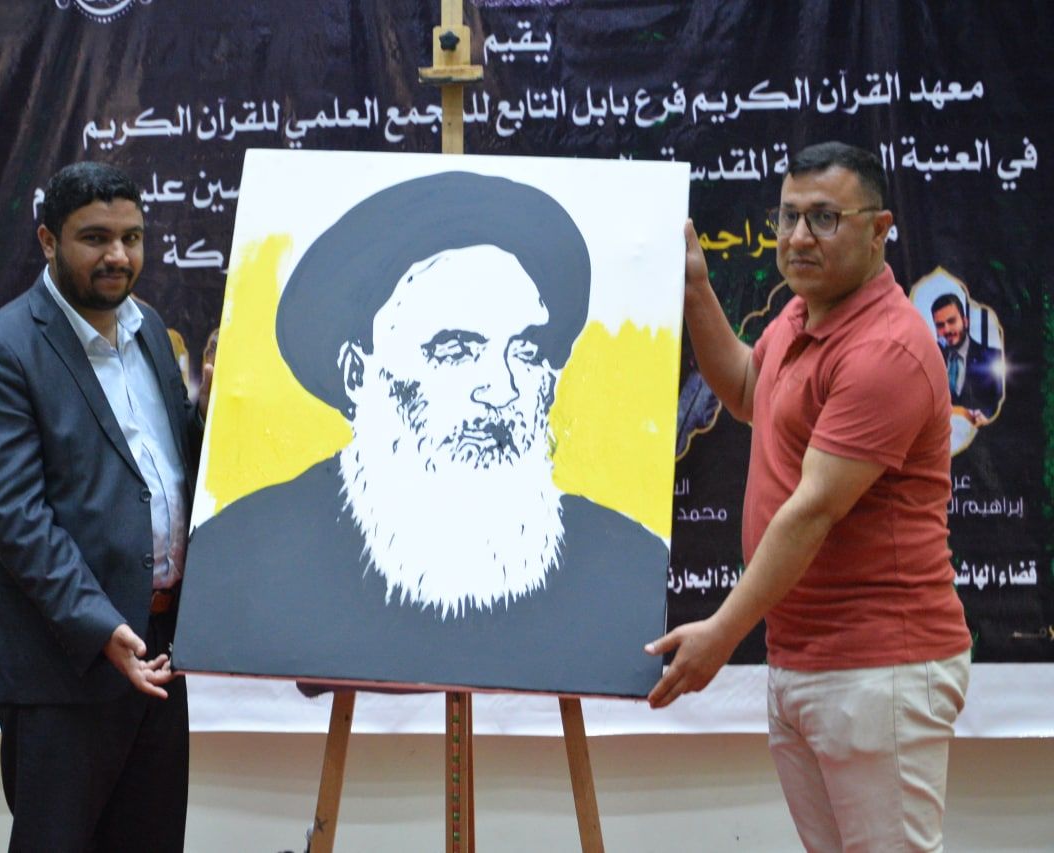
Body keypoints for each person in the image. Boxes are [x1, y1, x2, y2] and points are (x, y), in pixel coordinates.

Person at [173, 171, 669, 697]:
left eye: (525, 350)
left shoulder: (625, 564)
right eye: (455, 350)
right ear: (357, 374)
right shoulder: (247, 550)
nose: (502, 389)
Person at [648, 142, 972, 851]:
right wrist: (696, 289)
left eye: (824, 218)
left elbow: (814, 509)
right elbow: (745, 389)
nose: (798, 237)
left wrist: (721, 633)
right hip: (806, 657)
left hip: (879, 667)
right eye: (788, 216)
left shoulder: (885, 349)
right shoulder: (801, 315)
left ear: (880, 229)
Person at [0, 161, 201, 851]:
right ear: (48, 240)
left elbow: (167, 469)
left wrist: (213, 409)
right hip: (66, 666)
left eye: (132, 237)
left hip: (158, 655)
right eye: (95, 238)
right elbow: (17, 521)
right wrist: (101, 627)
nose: (118, 255)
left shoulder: (149, 330)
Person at [931, 292, 1003, 425]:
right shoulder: (932, 361)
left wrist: (987, 417)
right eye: (940, 325)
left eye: (952, 321)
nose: (947, 330)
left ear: (965, 322)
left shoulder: (992, 357)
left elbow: (1002, 403)